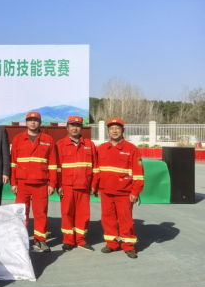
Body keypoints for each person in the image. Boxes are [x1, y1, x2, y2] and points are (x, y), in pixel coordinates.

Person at [96, 118, 144, 259]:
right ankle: (111, 243)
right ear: (108, 131)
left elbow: (139, 173)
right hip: (106, 191)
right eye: (112, 128)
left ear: (123, 130)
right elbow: (97, 170)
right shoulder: (102, 148)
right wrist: (97, 187)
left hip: (124, 192)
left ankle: (128, 246)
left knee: (126, 220)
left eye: (117, 128)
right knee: (107, 219)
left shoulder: (131, 149)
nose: (115, 131)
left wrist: (135, 191)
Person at [10, 111, 57, 252]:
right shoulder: (18, 139)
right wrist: (13, 182)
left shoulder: (48, 140)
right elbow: (13, 163)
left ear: (40, 122)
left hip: (41, 184)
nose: (33, 122)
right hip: (22, 183)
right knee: (20, 213)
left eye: (35, 120)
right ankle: (20, 240)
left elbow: (52, 164)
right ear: (26, 122)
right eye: (30, 120)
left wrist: (52, 183)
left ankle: (40, 240)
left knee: (40, 213)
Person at [56, 115, 99, 252]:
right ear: (67, 127)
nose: (75, 128)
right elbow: (57, 168)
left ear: (82, 128)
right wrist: (59, 185)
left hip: (84, 185)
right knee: (67, 213)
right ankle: (68, 240)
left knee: (83, 214)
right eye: (72, 125)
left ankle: (80, 239)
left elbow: (95, 167)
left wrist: (94, 185)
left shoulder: (89, 145)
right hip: (67, 186)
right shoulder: (60, 145)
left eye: (78, 126)